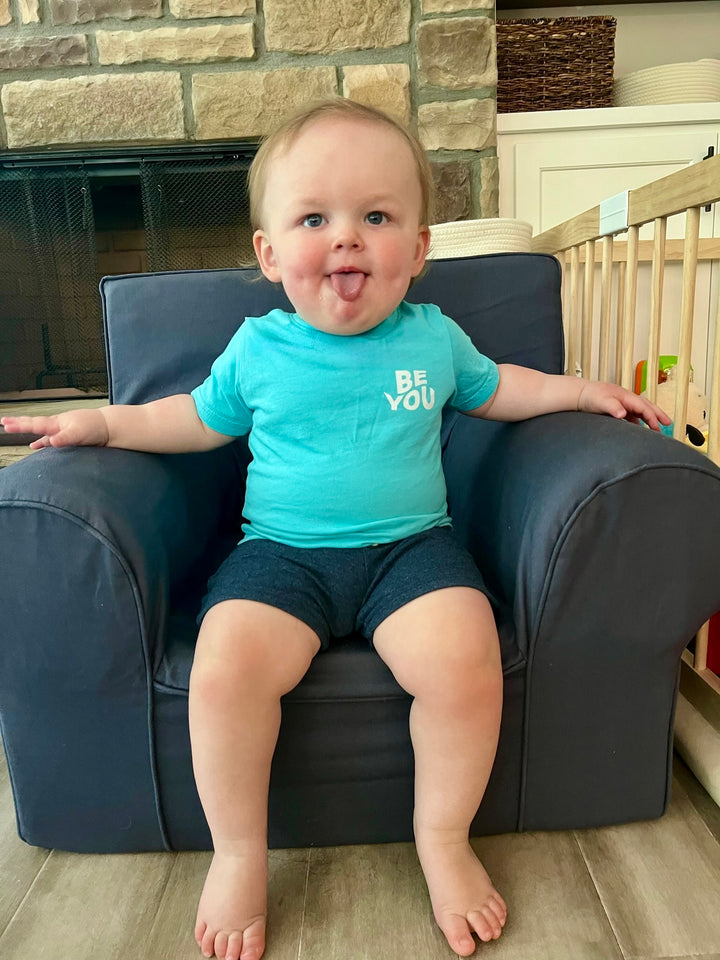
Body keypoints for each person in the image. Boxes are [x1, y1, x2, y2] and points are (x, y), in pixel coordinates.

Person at [1, 98, 671, 960]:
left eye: (377, 216)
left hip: (412, 553)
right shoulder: (259, 348)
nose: (347, 238)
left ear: (419, 250)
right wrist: (103, 423)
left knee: (467, 662)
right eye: (315, 218)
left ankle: (443, 837)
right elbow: (192, 419)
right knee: (225, 670)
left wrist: (582, 392)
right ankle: (239, 854)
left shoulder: (432, 339)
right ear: (271, 253)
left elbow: (502, 388)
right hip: (281, 557)